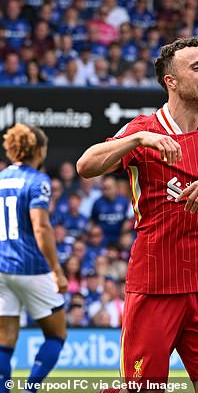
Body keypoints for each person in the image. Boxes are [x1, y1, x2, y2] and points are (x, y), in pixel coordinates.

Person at [76, 36, 198, 393]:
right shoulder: (145, 129)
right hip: (154, 283)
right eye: (197, 67)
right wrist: (136, 140)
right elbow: (85, 165)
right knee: (143, 389)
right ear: (171, 81)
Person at [0, 123, 68, 393]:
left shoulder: (1, 178)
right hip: (32, 268)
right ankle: (30, 389)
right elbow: (40, 227)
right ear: (39, 150)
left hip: (2, 267)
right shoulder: (38, 180)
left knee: (5, 340)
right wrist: (56, 270)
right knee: (56, 334)